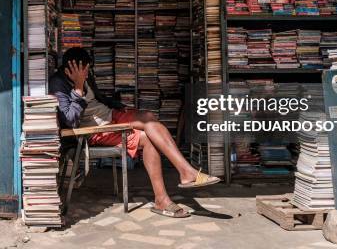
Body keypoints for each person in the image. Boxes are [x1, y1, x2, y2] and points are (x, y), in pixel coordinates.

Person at [49, 47, 220, 218]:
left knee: (148, 117)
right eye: (84, 72)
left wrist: (118, 106)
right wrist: (78, 88)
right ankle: (168, 192)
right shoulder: (58, 84)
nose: (87, 75)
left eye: (88, 71)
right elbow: (69, 120)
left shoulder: (85, 74)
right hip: (94, 131)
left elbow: (98, 98)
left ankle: (184, 174)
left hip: (110, 115)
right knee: (148, 139)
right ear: (69, 69)